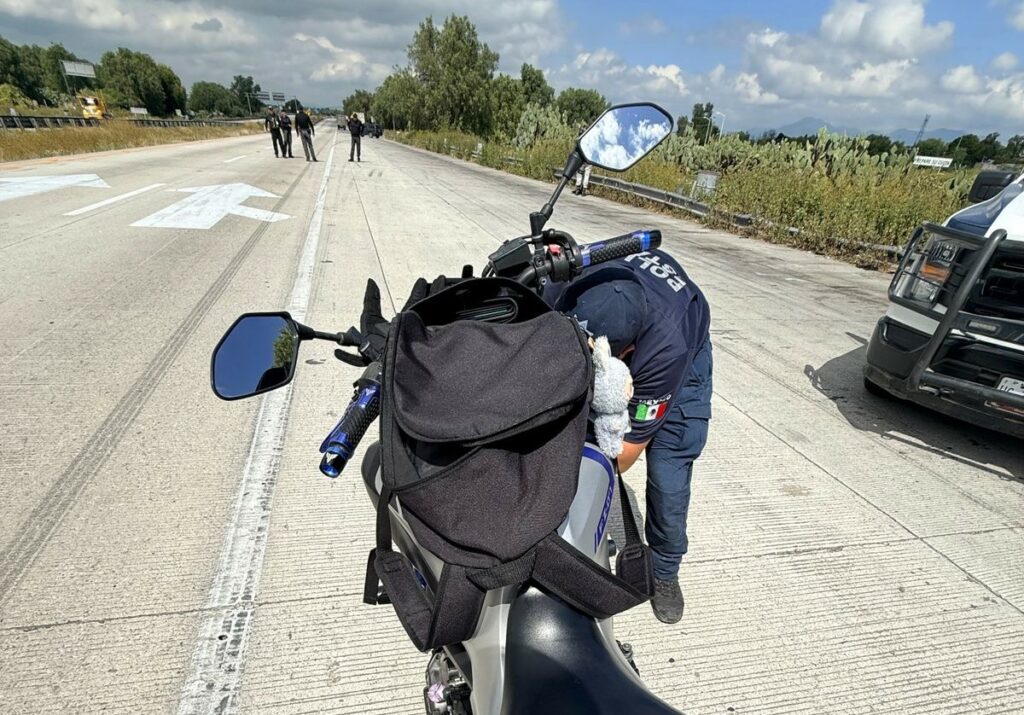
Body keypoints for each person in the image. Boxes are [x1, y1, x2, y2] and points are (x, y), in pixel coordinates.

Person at [545, 249, 712, 624]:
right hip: (638, 305)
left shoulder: (666, 350)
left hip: (684, 350)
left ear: (627, 353)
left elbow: (623, 455)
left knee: (669, 470)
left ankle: (665, 569)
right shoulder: (565, 286)